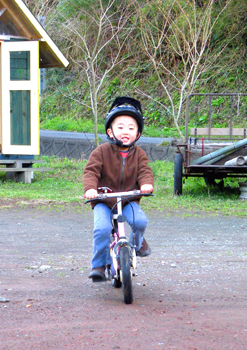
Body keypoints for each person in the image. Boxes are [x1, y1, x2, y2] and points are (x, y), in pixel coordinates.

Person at [83, 96, 154, 282]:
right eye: (120, 127)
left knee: (140, 222)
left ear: (137, 134)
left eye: (131, 128)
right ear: (110, 131)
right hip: (104, 201)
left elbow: (144, 171)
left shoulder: (139, 154)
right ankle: (99, 264)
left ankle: (137, 244)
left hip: (128, 199)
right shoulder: (101, 152)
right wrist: (91, 189)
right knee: (102, 229)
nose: (126, 131)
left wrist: (146, 184)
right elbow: (91, 172)